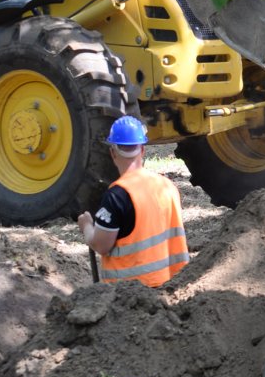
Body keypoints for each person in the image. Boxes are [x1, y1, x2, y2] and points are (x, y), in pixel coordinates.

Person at [78, 116, 191, 287]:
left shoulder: (117, 196)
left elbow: (101, 245)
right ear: (143, 150)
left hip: (132, 299)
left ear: (113, 153)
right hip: (175, 288)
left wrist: (86, 226)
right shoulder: (168, 186)